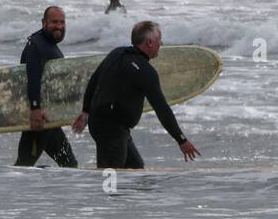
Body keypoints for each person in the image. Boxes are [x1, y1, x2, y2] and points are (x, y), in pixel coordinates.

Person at [81, 21, 200, 168]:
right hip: (112, 129)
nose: (161, 43)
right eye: (159, 40)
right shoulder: (145, 71)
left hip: (99, 121)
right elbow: (162, 108)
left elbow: (94, 80)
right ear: (150, 42)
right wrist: (181, 139)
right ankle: (105, 191)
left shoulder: (117, 53)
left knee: (135, 169)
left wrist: (86, 110)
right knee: (111, 177)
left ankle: (115, 190)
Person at [15, 6, 80, 167]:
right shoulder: (36, 45)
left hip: (49, 120)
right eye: (54, 22)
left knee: (69, 164)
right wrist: (35, 109)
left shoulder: (49, 45)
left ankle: (49, 188)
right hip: (38, 120)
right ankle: (3, 189)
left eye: (62, 22)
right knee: (24, 165)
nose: (59, 26)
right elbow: (33, 78)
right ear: (44, 23)